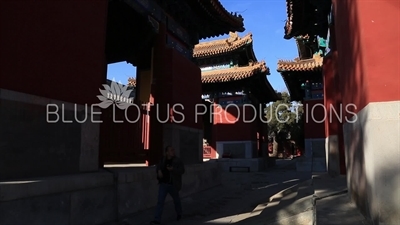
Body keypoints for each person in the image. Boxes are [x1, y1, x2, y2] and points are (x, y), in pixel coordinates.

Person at [150, 146, 185, 225]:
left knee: (176, 201)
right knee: (160, 202)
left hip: (173, 184)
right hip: (163, 184)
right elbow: (158, 166)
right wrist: (158, 170)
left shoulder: (177, 160)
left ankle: (179, 213)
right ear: (167, 152)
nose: (173, 152)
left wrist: (173, 169)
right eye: (171, 150)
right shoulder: (163, 159)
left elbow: (182, 170)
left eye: (173, 150)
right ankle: (157, 219)